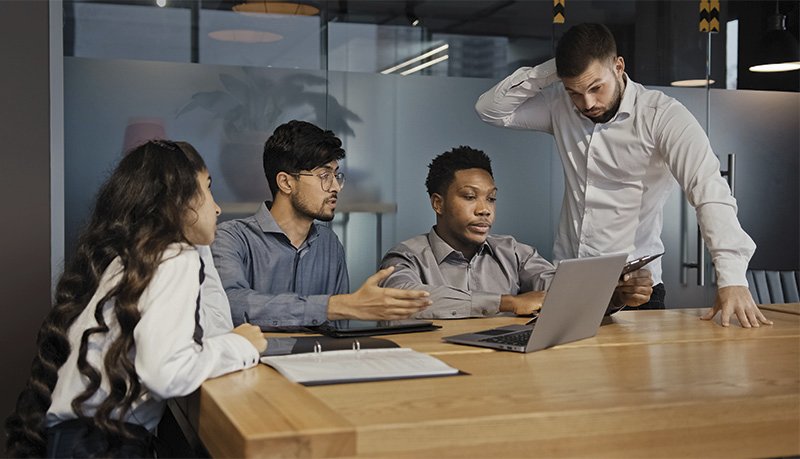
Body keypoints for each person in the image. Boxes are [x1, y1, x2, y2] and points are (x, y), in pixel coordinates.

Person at [475, 23, 772, 328]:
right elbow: (491, 110)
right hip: (568, 287)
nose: (587, 103)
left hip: (636, 291)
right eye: (574, 91)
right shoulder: (561, 107)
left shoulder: (661, 115)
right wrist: (556, 69)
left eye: (595, 87)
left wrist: (732, 278)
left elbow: (708, 188)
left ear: (618, 66)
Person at [4, 140, 267, 458]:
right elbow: (166, 372)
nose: (217, 207)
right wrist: (242, 345)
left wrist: (198, 243)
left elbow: (208, 329)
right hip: (109, 446)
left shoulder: (127, 261)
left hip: (76, 441)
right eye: (207, 189)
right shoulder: (173, 257)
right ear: (179, 200)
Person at [380, 146, 653, 319]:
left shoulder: (512, 251)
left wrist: (616, 295)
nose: (484, 210)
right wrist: (507, 303)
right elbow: (403, 299)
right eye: (469, 197)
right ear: (438, 203)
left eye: (491, 199)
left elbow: (560, 289)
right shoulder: (405, 257)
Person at [212, 120, 431, 330]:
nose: (336, 186)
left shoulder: (329, 243)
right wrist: (336, 306)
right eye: (324, 175)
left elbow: (336, 329)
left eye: (336, 175)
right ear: (286, 182)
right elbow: (230, 304)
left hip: (320, 362)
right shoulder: (231, 238)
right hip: (255, 364)